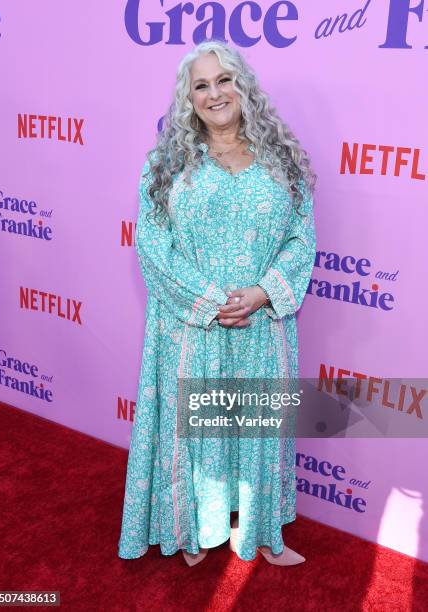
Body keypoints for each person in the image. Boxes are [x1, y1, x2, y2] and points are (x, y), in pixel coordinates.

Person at [118, 39, 317, 567]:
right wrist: (208, 301)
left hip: (260, 322)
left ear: (243, 85)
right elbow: (153, 246)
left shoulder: (284, 159)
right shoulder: (165, 164)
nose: (215, 93)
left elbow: (302, 238)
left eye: (224, 79)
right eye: (201, 85)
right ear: (189, 99)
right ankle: (194, 528)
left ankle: (258, 530)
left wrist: (261, 293)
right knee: (197, 431)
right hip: (192, 327)